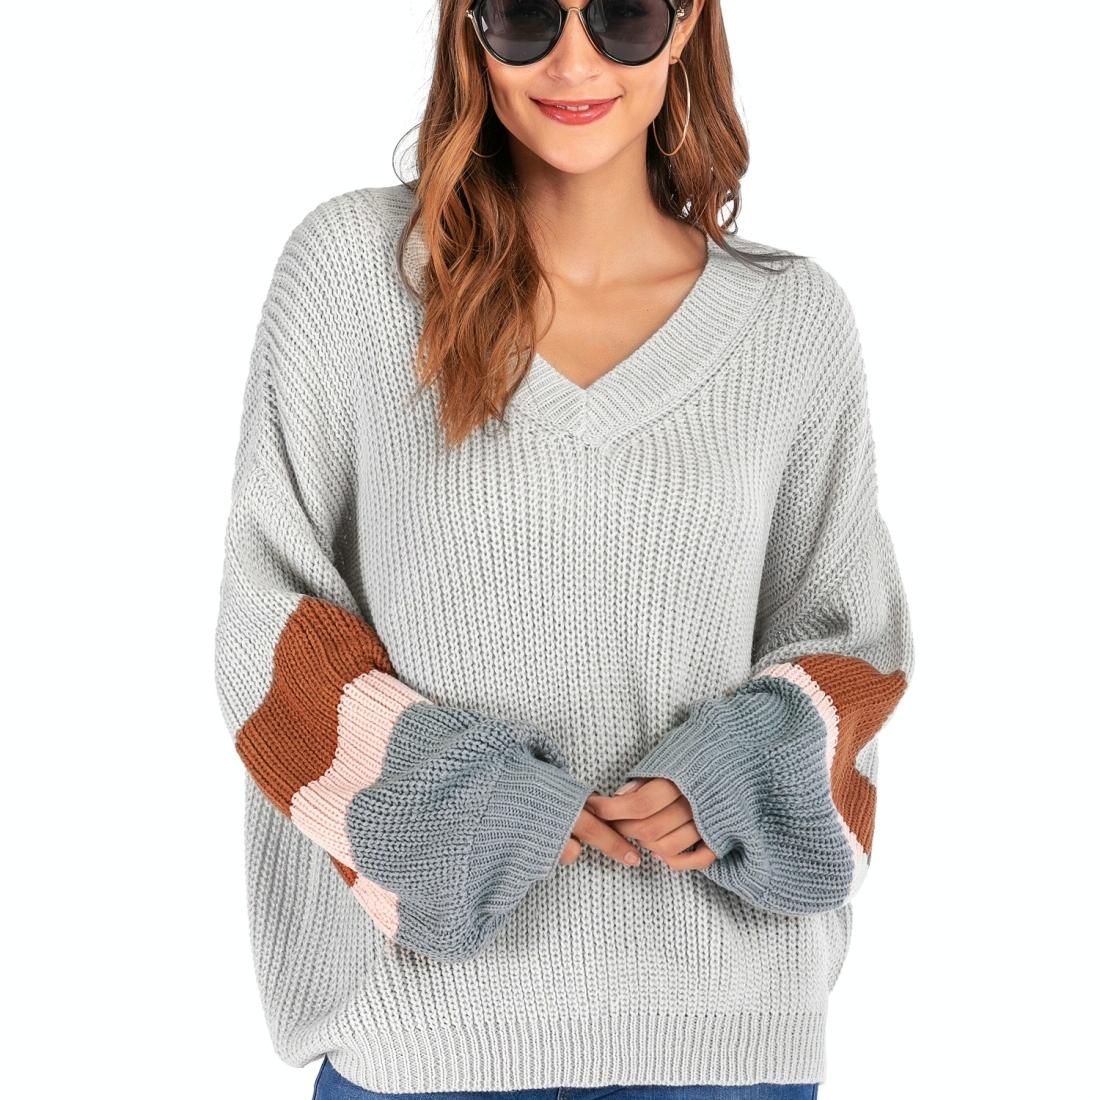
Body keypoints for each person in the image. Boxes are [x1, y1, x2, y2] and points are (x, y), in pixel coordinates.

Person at [212, 2, 915, 1098]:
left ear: (684, 23)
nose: (573, 62)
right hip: (428, 1041)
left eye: (624, 16)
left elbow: (855, 645)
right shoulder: (355, 276)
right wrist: (460, 806)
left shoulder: (791, 323)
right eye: (528, 17)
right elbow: (267, 623)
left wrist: (740, 771)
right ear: (470, 26)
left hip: (725, 1045)